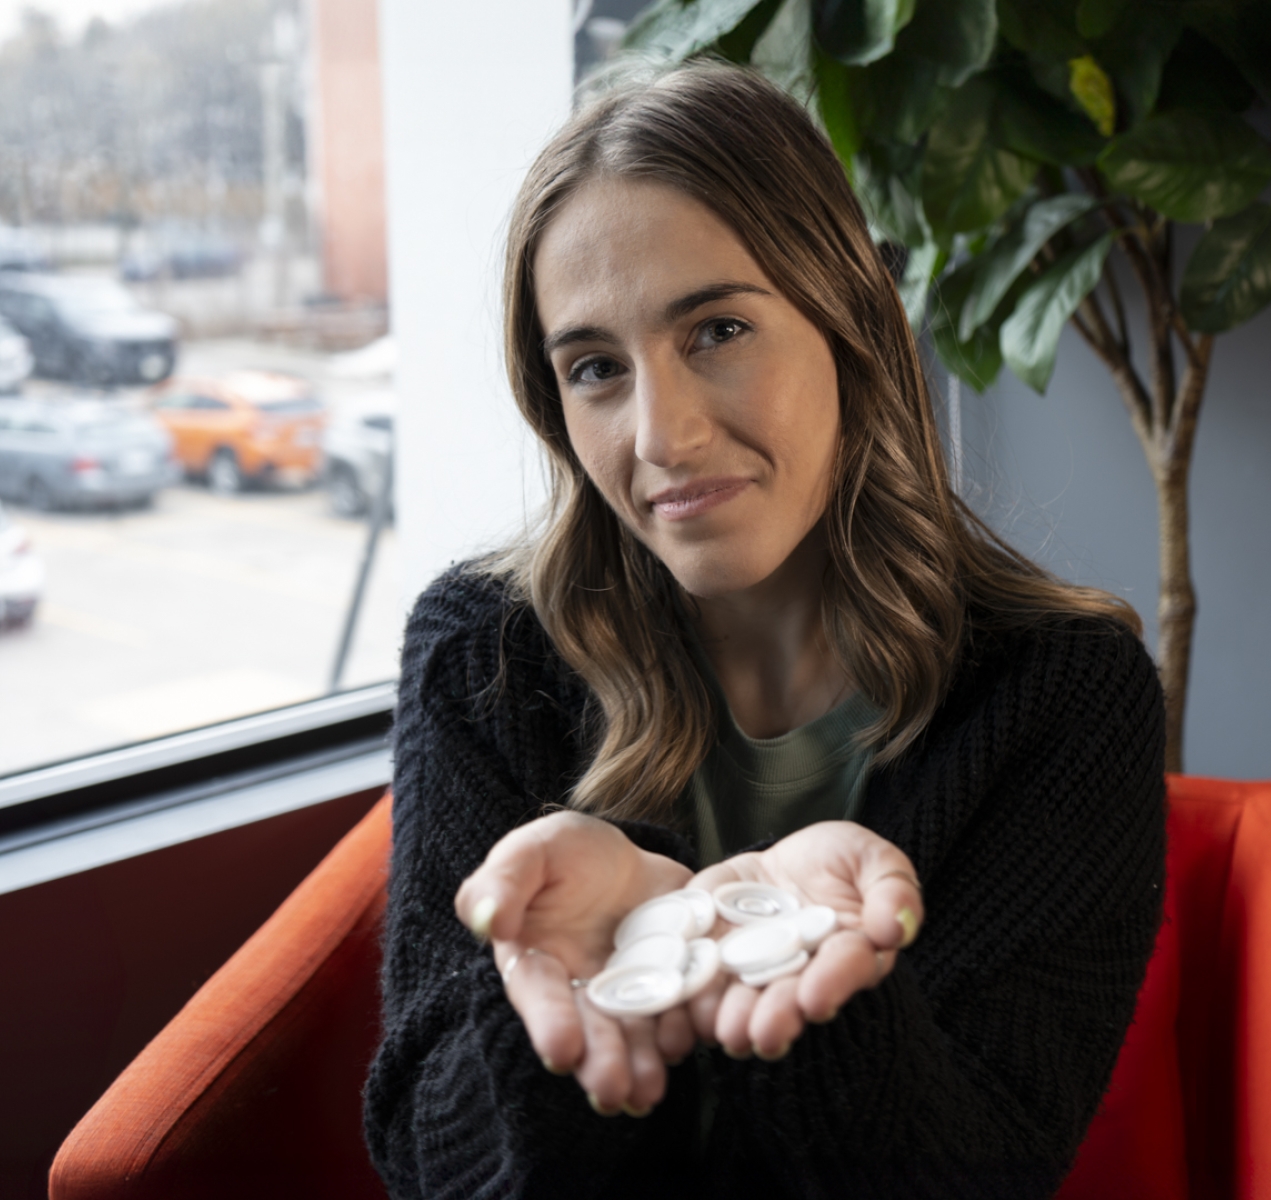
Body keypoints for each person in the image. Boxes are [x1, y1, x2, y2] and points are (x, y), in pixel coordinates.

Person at [363, 61, 1166, 1200]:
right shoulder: (482, 654)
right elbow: (428, 1162)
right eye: (595, 368)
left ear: (850, 322)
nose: (662, 437)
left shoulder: (1064, 696)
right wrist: (562, 984)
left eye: (719, 329)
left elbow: (991, 1167)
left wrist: (803, 976)